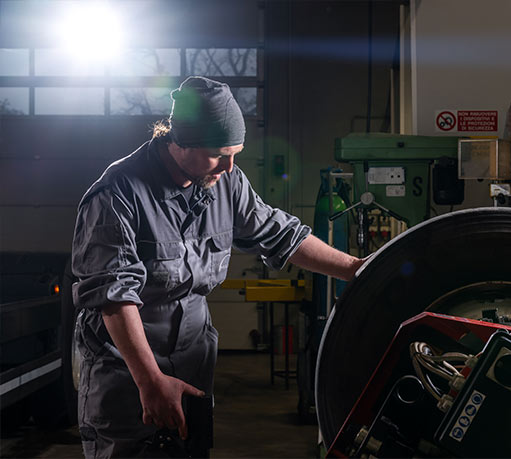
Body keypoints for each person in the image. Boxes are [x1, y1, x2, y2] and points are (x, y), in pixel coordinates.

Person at [71, 76, 365, 458]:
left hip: (193, 365)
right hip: (127, 375)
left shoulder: (225, 182)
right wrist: (150, 381)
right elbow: (114, 297)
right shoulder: (118, 193)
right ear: (181, 142)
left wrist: (356, 269)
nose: (229, 166)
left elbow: (281, 234)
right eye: (218, 154)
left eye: (236, 153)